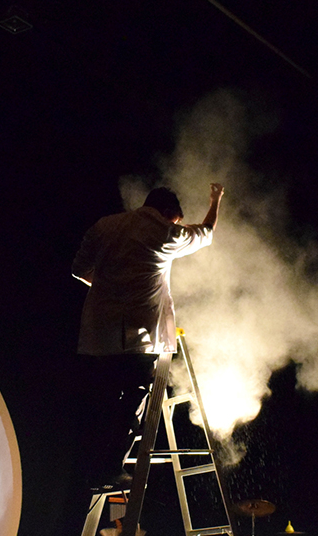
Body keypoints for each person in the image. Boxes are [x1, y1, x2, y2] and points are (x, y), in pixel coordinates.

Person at [71, 183, 223, 490]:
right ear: (168, 214)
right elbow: (206, 231)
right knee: (133, 400)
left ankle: (88, 469)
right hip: (137, 337)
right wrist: (215, 200)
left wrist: (110, 290)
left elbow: (78, 269)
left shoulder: (105, 226)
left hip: (99, 336)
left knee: (103, 403)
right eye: (176, 221)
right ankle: (110, 468)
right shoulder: (164, 232)